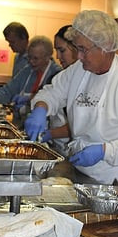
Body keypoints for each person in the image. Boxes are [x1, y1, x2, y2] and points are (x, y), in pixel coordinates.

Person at [25, 10, 118, 186]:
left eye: (83, 49)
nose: (78, 56)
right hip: (79, 173)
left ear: (105, 48)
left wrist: (104, 151)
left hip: (114, 181)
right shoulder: (79, 70)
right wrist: (41, 108)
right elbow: (53, 91)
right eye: (77, 48)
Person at [0, 36, 62, 126]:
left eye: (35, 58)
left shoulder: (57, 75)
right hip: (19, 123)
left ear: (47, 57)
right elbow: (9, 89)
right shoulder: (27, 70)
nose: (31, 61)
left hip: (42, 127)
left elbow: (54, 104)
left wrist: (29, 103)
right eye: (29, 57)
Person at [40, 25, 78, 156]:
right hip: (58, 147)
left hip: (71, 150)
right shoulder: (64, 76)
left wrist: (49, 134)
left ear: (76, 48)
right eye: (57, 50)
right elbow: (50, 95)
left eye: (62, 50)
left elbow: (81, 124)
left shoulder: (85, 79)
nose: (58, 56)